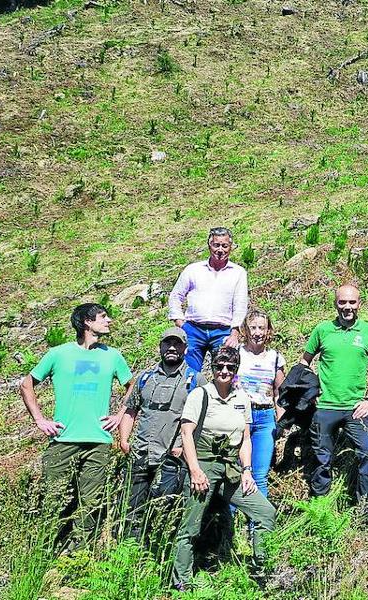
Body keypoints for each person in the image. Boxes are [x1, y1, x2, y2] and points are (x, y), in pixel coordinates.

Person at [20, 302, 131, 551]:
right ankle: (45, 550)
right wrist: (40, 419)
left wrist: (120, 413)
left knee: (91, 501)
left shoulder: (113, 356)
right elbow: (26, 385)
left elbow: (133, 386)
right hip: (63, 439)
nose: (109, 320)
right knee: (54, 498)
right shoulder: (58, 354)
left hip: (98, 441)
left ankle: (77, 556)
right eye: (103, 316)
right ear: (87, 322)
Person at [171, 347, 275, 590]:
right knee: (191, 526)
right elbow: (186, 433)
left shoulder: (242, 398)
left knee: (265, 512)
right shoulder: (200, 395)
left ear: (236, 370)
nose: (224, 371)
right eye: (219, 366)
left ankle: (261, 571)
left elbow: (245, 438)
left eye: (229, 367)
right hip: (204, 463)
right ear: (213, 368)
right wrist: (195, 470)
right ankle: (182, 581)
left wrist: (247, 470)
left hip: (231, 467)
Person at [300, 284, 368, 508]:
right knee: (322, 460)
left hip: (355, 408)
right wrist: (310, 391)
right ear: (335, 304)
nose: (347, 307)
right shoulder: (322, 330)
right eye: (342, 302)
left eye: (352, 302)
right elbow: (304, 362)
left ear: (359, 304)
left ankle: (366, 510)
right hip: (326, 407)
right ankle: (320, 509)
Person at [117, 326, 206, 542]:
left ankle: (157, 553)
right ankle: (130, 553)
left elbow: (201, 422)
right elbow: (131, 410)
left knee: (164, 511)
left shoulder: (196, 380)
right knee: (131, 510)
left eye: (177, 344)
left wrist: (184, 449)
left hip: (171, 459)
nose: (172, 348)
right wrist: (124, 440)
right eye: (168, 343)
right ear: (160, 347)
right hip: (140, 453)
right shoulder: (145, 378)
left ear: (185, 348)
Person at [167, 226, 249, 371]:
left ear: (231, 247)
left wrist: (235, 333)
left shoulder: (238, 273)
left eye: (225, 246)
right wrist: (181, 323)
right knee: (188, 373)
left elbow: (240, 304)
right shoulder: (193, 270)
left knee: (225, 371)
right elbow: (176, 296)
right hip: (193, 329)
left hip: (222, 331)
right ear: (209, 245)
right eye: (216, 245)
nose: (220, 250)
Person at [236, 311, 285, 499]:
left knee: (260, 475)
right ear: (246, 330)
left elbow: (279, 392)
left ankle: (259, 526)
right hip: (240, 416)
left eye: (261, 328)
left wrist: (280, 421)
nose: (257, 332)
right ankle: (233, 522)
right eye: (253, 327)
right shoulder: (237, 354)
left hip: (265, 418)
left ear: (268, 331)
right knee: (237, 472)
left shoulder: (275, 358)